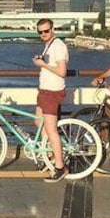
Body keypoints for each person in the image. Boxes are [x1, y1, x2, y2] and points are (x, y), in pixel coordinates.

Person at [33, 19, 70, 183]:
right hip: (44, 91)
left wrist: (43, 64)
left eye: (46, 31)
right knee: (38, 122)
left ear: (53, 29)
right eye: (40, 32)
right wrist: (40, 62)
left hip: (52, 92)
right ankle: (48, 157)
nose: (43, 34)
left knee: (51, 130)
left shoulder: (58, 46)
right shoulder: (49, 45)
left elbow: (62, 71)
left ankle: (60, 167)